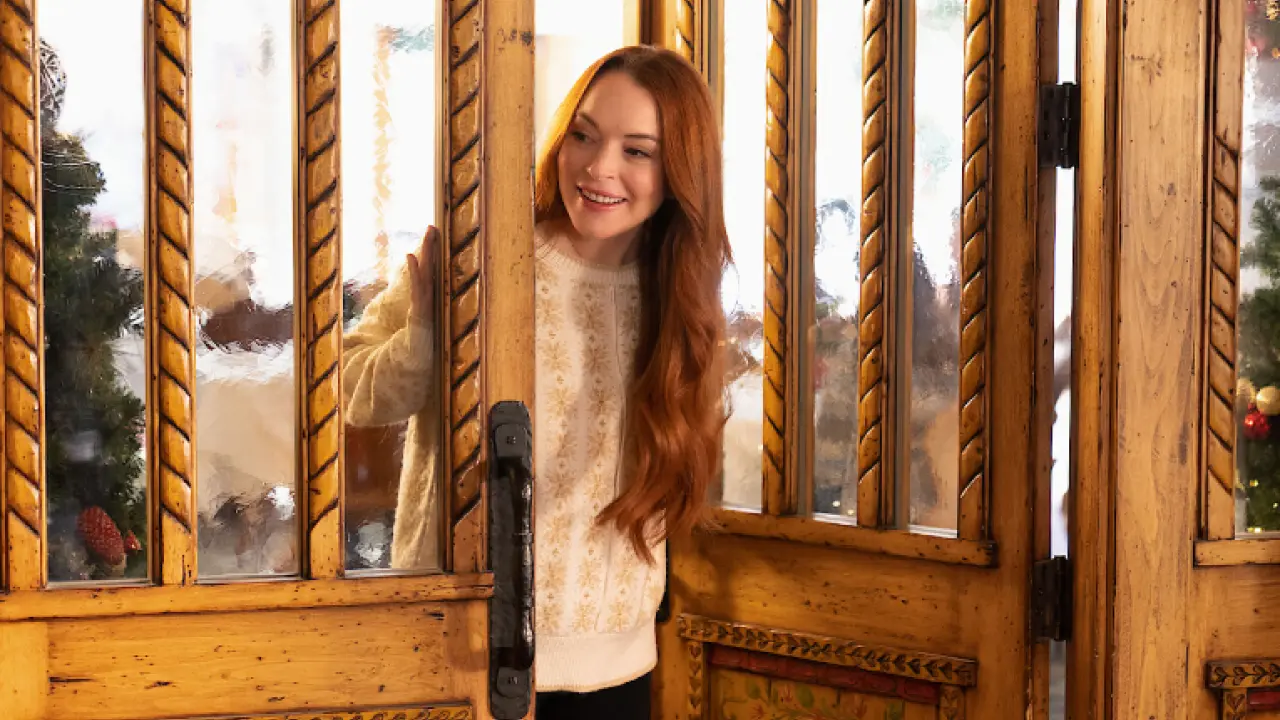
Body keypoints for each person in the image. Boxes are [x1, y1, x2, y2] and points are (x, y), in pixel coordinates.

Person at [341, 44, 730, 719]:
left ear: (680, 173)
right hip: (455, 649)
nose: (599, 167)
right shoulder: (479, 256)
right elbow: (348, 390)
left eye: (637, 151)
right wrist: (428, 332)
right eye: (584, 135)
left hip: (613, 668)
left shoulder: (681, 298)